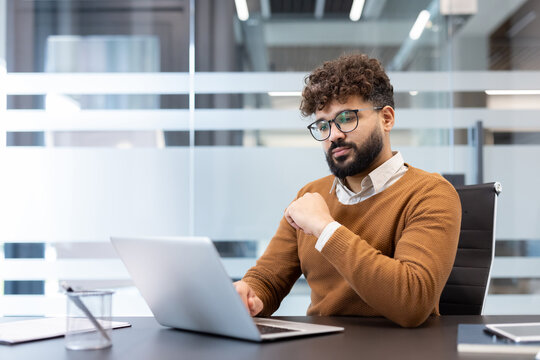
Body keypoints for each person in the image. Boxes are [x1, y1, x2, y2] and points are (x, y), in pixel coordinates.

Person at [234, 54, 462, 328]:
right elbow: (269, 278)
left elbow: (412, 302)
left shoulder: (431, 194)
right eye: (323, 125)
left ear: (386, 119)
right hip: (321, 346)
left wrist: (325, 228)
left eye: (346, 118)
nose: (333, 135)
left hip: (400, 350)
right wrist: (250, 294)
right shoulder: (311, 194)